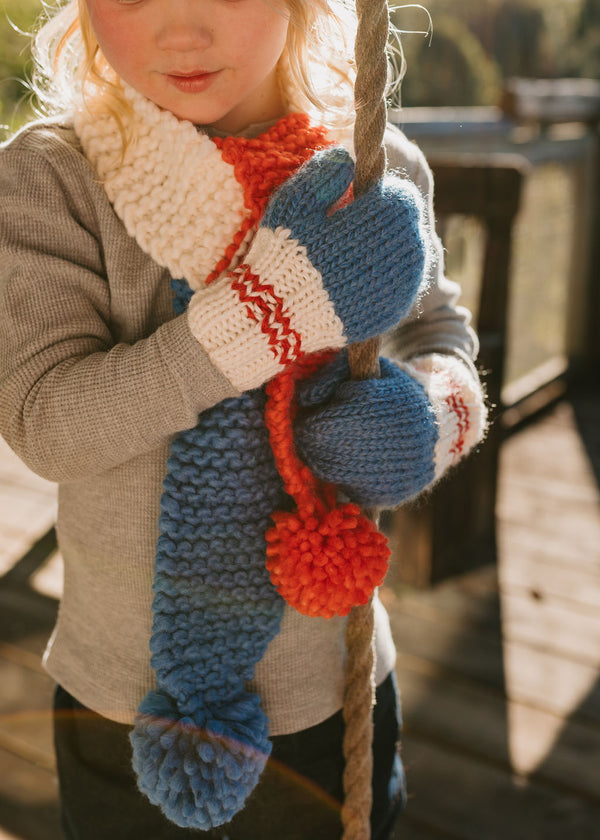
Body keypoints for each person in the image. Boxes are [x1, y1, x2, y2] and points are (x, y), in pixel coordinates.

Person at [0, 1, 487, 838]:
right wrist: (267, 315)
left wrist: (431, 419)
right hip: (120, 709)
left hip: (340, 693)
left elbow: (439, 329)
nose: (180, 31)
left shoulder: (369, 170)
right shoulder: (54, 179)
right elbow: (48, 421)